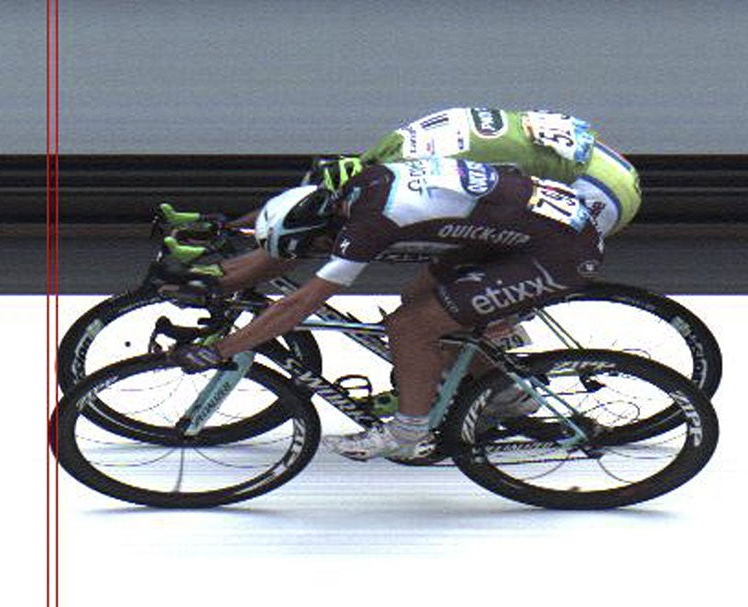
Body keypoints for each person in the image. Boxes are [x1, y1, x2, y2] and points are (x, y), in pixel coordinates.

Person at [166, 157, 605, 461]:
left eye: (314, 249)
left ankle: (408, 433)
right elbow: (285, 218)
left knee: (410, 328)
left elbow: (299, 305)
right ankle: (496, 387)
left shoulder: (369, 228)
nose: (318, 253)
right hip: (526, 224)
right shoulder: (354, 189)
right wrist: (226, 227)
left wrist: (222, 349)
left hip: (558, 250)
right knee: (419, 298)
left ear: (322, 234)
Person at [306, 107, 642, 237]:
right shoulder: (392, 147)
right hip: (606, 163)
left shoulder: (409, 177)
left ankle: (505, 373)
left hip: (598, 190)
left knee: (455, 293)